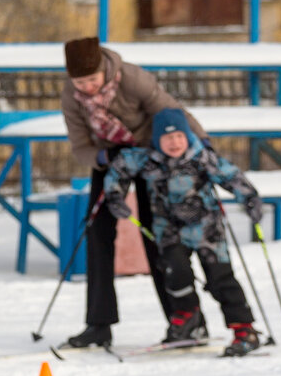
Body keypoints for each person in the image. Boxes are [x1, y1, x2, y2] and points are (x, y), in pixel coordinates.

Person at [60, 36, 211, 348]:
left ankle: (184, 320)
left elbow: (173, 113)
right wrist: (102, 158)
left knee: (156, 236)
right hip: (111, 160)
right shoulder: (71, 96)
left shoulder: (132, 78)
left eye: (91, 79)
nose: (86, 87)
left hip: (151, 155)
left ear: (103, 69)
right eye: (79, 81)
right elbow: (81, 146)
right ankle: (98, 324)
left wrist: (203, 145)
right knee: (97, 232)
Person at [103, 107, 264, 356]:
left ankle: (244, 328)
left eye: (179, 136)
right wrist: (115, 195)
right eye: (167, 138)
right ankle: (189, 320)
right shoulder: (148, 159)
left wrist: (250, 197)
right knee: (175, 274)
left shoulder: (201, 157)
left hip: (206, 228)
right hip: (169, 230)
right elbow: (120, 167)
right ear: (157, 140)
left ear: (188, 136)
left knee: (220, 278)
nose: (175, 143)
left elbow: (230, 175)